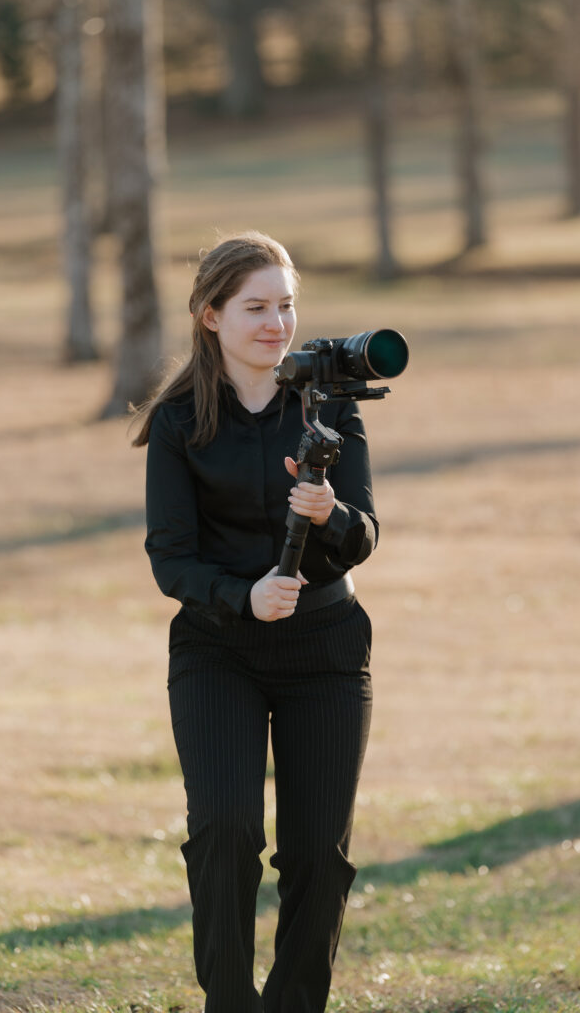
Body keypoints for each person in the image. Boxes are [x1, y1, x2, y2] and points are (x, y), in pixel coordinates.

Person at [132, 231, 378, 1013]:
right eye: (256, 307)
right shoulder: (178, 421)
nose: (277, 323)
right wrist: (243, 597)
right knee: (227, 832)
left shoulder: (330, 404)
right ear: (211, 316)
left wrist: (330, 512)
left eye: (286, 305)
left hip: (327, 649)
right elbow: (170, 559)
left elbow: (364, 535)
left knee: (316, 853)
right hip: (217, 651)